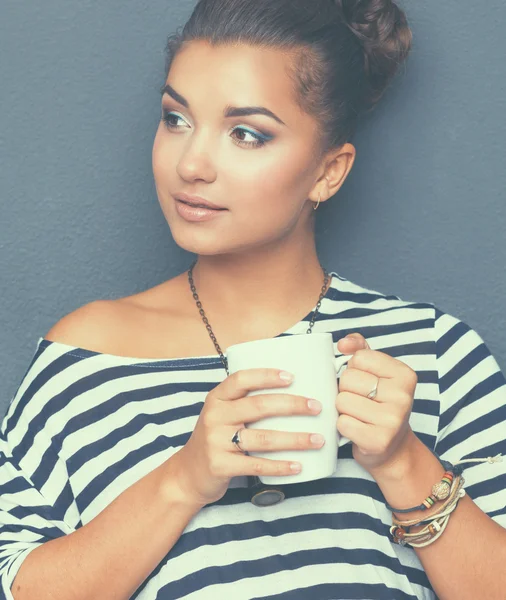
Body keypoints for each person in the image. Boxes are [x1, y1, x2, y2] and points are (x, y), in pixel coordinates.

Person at [1, 0, 505, 598]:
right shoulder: (86, 358)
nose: (191, 164)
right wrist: (184, 480)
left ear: (329, 171)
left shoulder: (436, 352)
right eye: (175, 118)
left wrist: (402, 460)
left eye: (247, 133)